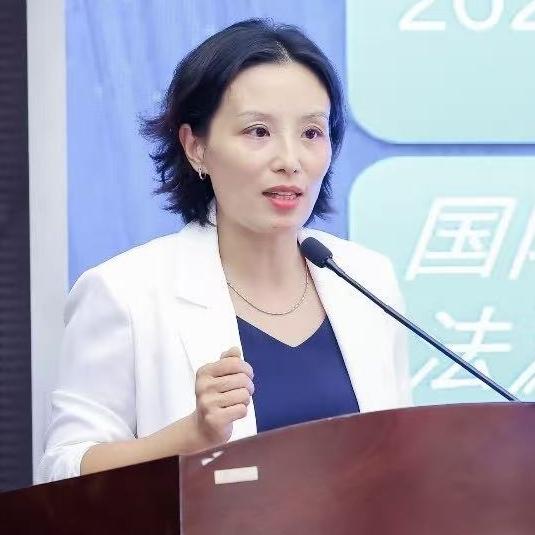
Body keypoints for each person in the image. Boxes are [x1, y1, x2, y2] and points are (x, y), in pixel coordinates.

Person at [38, 18, 411, 483]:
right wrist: (188, 437)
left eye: (312, 133)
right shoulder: (124, 293)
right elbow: (61, 474)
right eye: (258, 131)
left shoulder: (367, 280)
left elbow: (398, 459)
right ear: (196, 147)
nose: (290, 160)